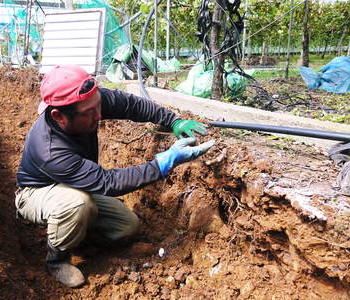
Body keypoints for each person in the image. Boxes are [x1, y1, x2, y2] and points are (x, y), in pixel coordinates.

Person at [15, 64, 215, 288]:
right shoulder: (50, 150)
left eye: (98, 105)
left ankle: (77, 235)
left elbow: (130, 105)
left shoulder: (88, 103)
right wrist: (164, 162)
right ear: (59, 116)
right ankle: (57, 260)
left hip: (77, 185)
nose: (99, 115)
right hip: (38, 192)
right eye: (90, 113)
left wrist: (173, 120)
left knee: (127, 227)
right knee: (76, 205)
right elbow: (108, 182)